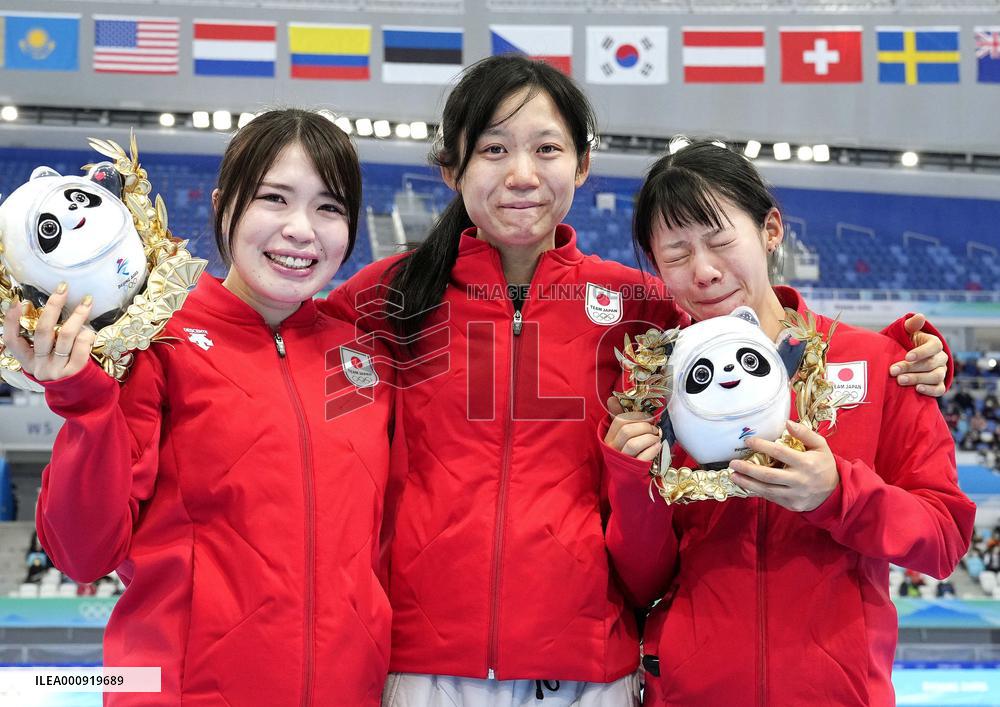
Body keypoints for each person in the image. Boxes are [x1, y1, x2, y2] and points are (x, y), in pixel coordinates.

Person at [322, 57, 951, 707]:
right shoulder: (389, 298)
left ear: (582, 165)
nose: (521, 174)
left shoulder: (637, 307)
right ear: (451, 169)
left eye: (546, 149)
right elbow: (278, 349)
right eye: (492, 149)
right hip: (428, 662)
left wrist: (910, 348)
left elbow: (760, 329)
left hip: (586, 666)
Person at [2, 109, 395, 706]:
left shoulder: (365, 361)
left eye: (330, 207)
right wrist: (83, 404)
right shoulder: (158, 342)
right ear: (222, 204)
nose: (301, 229)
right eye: (274, 198)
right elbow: (82, 554)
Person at [601, 140, 975, 706]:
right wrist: (633, 483)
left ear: (771, 230)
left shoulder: (879, 363)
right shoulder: (655, 387)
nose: (702, 272)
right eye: (676, 255)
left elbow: (943, 539)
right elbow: (641, 581)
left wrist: (838, 495)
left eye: (722, 241)